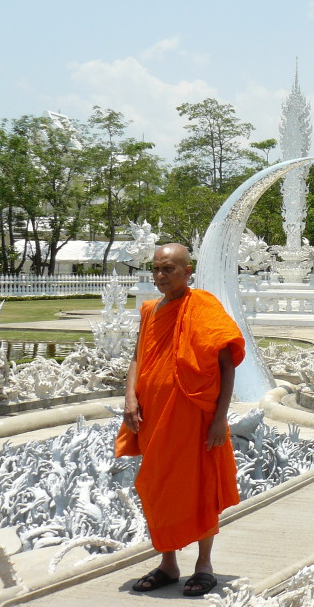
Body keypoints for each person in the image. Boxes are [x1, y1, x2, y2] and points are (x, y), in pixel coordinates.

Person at [115, 243, 245, 597]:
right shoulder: (148, 310)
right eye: (156, 269)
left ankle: (203, 566)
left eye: (169, 269)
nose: (160, 275)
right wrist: (130, 398)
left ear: (188, 271)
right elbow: (137, 358)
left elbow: (226, 366)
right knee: (157, 487)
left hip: (196, 418)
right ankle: (168, 563)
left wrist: (220, 419)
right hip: (155, 418)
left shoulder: (203, 307)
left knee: (200, 486)